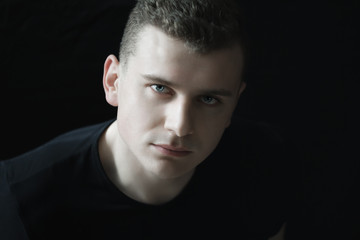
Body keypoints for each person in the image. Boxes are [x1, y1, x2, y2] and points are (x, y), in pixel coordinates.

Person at [0, 0, 297, 239]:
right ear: (113, 81)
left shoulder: (264, 161)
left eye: (209, 99)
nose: (180, 126)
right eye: (160, 88)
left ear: (234, 104)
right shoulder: (19, 201)